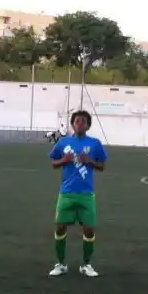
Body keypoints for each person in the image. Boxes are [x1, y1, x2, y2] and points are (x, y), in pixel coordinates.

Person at [48, 109, 107, 277]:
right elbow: (53, 163)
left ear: (88, 125)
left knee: (89, 230)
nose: (79, 124)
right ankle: (60, 264)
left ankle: (86, 265)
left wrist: (90, 161)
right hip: (66, 193)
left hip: (87, 195)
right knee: (60, 228)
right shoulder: (63, 143)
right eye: (77, 121)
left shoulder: (95, 144)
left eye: (83, 122)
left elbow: (102, 166)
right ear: (72, 124)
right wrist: (63, 160)